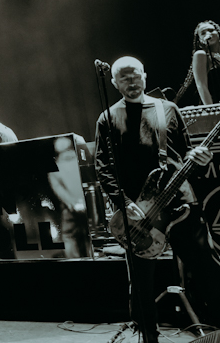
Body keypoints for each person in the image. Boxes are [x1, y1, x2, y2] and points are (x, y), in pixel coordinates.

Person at [94, 56, 220, 342]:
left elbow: (186, 154)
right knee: (141, 285)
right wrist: (126, 206)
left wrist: (200, 159)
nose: (132, 81)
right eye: (124, 78)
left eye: (136, 75)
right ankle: (149, 336)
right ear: (114, 83)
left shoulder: (168, 109)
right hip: (140, 215)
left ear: (145, 75)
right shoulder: (108, 118)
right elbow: (103, 168)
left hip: (181, 205)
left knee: (209, 272)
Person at [174, 20, 220, 106]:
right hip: (211, 106)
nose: (208, 34)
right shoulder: (201, 55)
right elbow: (201, 85)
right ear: (200, 40)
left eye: (211, 30)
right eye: (203, 33)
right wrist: (212, 110)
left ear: (218, 32)